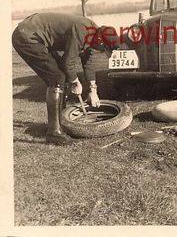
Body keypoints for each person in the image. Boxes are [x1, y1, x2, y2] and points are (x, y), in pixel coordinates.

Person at [12, 13, 119, 145]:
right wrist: (75, 82)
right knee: (57, 78)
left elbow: (88, 63)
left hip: (37, 37)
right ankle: (54, 133)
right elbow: (68, 62)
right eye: (103, 49)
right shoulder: (82, 30)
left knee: (59, 76)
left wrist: (93, 90)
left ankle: (59, 123)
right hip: (27, 36)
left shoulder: (94, 34)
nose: (101, 51)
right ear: (101, 41)